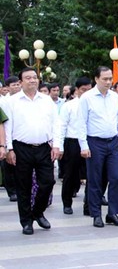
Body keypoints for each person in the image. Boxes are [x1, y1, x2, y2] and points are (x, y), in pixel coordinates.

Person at [4, 67, 61, 235]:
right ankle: (26, 221)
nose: (32, 80)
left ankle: (37, 212)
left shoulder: (46, 100)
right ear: (21, 82)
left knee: (48, 182)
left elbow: (55, 124)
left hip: (44, 147)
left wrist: (57, 145)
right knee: (24, 186)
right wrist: (9, 149)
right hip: (21, 148)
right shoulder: (12, 102)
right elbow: (8, 126)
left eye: (35, 77)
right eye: (28, 78)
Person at [77, 66, 118, 228]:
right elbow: (81, 123)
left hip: (113, 142)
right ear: (96, 79)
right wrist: (84, 146)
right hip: (94, 142)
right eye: (105, 79)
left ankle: (112, 213)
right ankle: (96, 214)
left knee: (116, 177)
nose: (108, 82)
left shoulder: (114, 97)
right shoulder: (87, 98)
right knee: (95, 180)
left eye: (110, 79)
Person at [58, 77, 92, 215]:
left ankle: (89, 204)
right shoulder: (69, 105)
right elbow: (62, 126)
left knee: (91, 174)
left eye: (89, 90)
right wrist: (59, 146)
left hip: (91, 141)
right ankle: (67, 203)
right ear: (76, 90)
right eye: (83, 90)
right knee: (70, 174)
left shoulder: (94, 104)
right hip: (73, 142)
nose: (86, 93)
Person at [0, 75, 21, 202]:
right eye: (13, 85)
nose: (17, 87)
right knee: (7, 166)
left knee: (19, 165)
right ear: (7, 88)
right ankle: (11, 191)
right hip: (7, 137)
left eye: (18, 84)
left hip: (19, 136)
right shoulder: (3, 101)